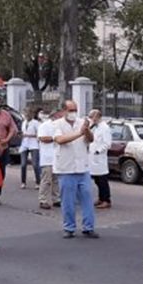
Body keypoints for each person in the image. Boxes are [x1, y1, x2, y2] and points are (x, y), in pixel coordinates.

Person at [53, 101, 99, 239]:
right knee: (68, 201)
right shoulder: (57, 125)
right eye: (70, 110)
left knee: (87, 199)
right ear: (63, 111)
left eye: (75, 110)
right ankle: (69, 227)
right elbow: (60, 140)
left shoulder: (82, 122)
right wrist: (79, 133)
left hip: (82, 168)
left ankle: (88, 227)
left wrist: (87, 131)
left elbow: (90, 140)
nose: (73, 113)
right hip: (66, 168)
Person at [37, 110, 62, 210]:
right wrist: (55, 138)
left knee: (56, 180)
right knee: (46, 180)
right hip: (47, 157)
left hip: (57, 157)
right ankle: (43, 200)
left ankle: (56, 199)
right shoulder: (45, 125)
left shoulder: (59, 126)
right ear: (54, 115)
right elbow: (42, 138)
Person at [88, 109, 112, 209]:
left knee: (102, 180)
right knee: (97, 180)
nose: (91, 119)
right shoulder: (95, 127)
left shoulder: (105, 128)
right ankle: (101, 198)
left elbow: (107, 143)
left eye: (92, 117)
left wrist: (98, 151)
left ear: (97, 117)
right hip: (93, 158)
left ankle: (106, 200)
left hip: (99, 158)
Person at [19, 107, 42, 190]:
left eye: (28, 114)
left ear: (32, 114)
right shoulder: (24, 123)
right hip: (25, 144)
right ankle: (23, 182)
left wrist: (29, 135)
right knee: (23, 164)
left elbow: (39, 135)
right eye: (25, 114)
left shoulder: (36, 123)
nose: (27, 115)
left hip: (34, 144)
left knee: (35, 165)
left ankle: (38, 182)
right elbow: (23, 132)